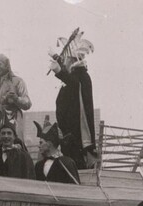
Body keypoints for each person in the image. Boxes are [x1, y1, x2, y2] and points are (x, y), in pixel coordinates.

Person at [49, 30, 97, 169]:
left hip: (77, 133)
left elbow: (74, 83)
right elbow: (67, 71)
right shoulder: (74, 73)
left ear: (74, 60)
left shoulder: (82, 76)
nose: (64, 61)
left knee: (76, 163)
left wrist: (59, 72)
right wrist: (56, 57)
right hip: (68, 131)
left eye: (67, 59)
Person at [0, 54, 31, 143]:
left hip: (14, 118)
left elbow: (27, 103)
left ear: (6, 65)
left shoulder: (17, 81)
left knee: (15, 143)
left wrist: (16, 99)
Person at [34, 120, 80, 184]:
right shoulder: (38, 166)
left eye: (41, 142)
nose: (39, 146)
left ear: (49, 144)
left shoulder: (67, 163)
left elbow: (75, 188)